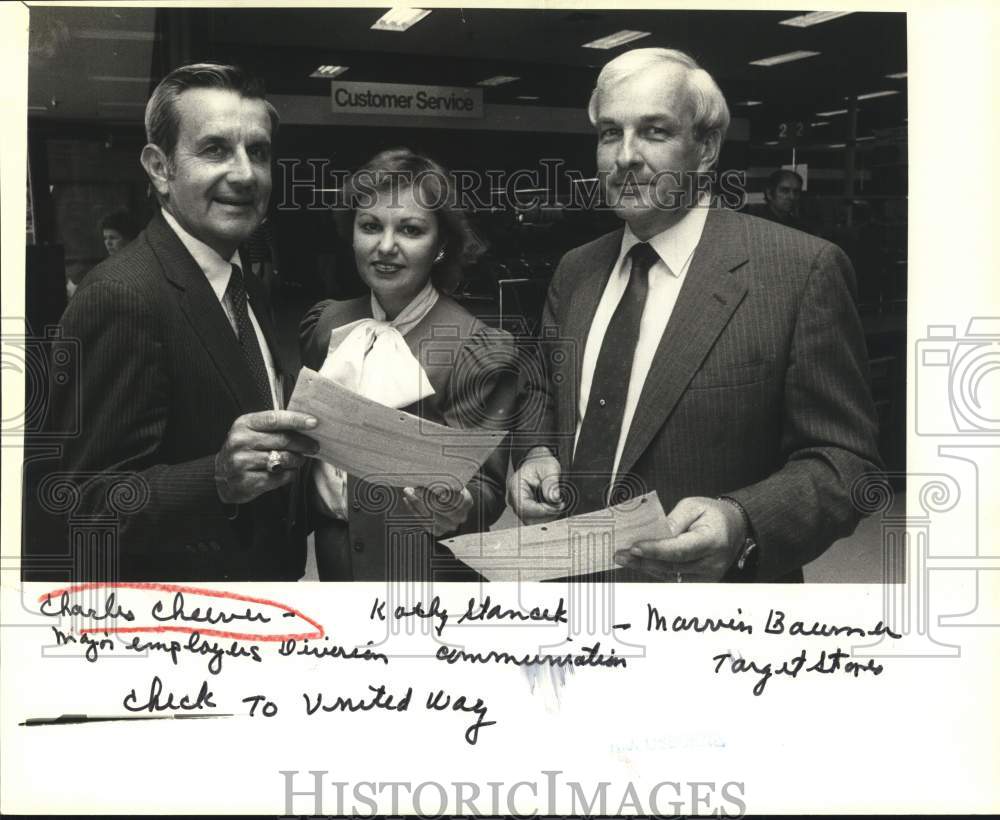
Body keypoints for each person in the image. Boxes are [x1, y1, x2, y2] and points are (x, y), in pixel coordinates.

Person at [508, 48, 881, 583]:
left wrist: (743, 521)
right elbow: (543, 390)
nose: (626, 157)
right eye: (611, 133)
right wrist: (537, 452)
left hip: (709, 614)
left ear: (706, 148)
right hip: (570, 586)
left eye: (655, 132)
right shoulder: (576, 270)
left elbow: (846, 464)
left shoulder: (799, 271)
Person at [46, 63, 319, 581]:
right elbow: (81, 507)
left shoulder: (246, 285)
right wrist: (214, 478)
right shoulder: (122, 296)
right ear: (159, 168)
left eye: (258, 151)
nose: (245, 174)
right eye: (215, 149)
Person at [299, 149, 516, 581]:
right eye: (370, 226)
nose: (385, 247)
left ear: (440, 246)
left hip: (423, 574)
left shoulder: (477, 348)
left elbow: (488, 491)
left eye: (411, 230)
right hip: (335, 570)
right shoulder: (326, 325)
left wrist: (461, 504)